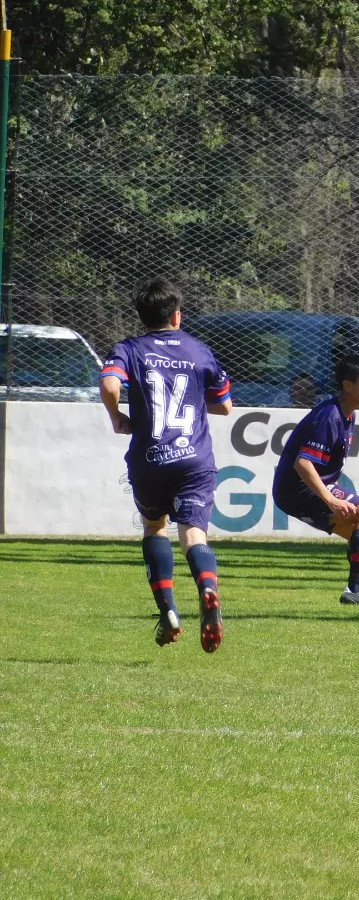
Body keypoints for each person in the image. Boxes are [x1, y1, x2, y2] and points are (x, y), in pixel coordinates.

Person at [98, 278, 232, 652]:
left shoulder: (128, 349)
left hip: (150, 459)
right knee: (193, 534)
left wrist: (116, 416)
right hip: (194, 460)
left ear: (143, 317)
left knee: (155, 529)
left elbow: (109, 384)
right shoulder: (198, 349)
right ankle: (207, 586)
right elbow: (224, 405)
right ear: (177, 315)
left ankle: (168, 610)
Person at [272, 353, 359, 606]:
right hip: (299, 489)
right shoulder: (329, 416)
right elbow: (303, 463)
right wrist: (330, 499)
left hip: (300, 490)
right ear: (347, 386)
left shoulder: (347, 413)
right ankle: (357, 591)